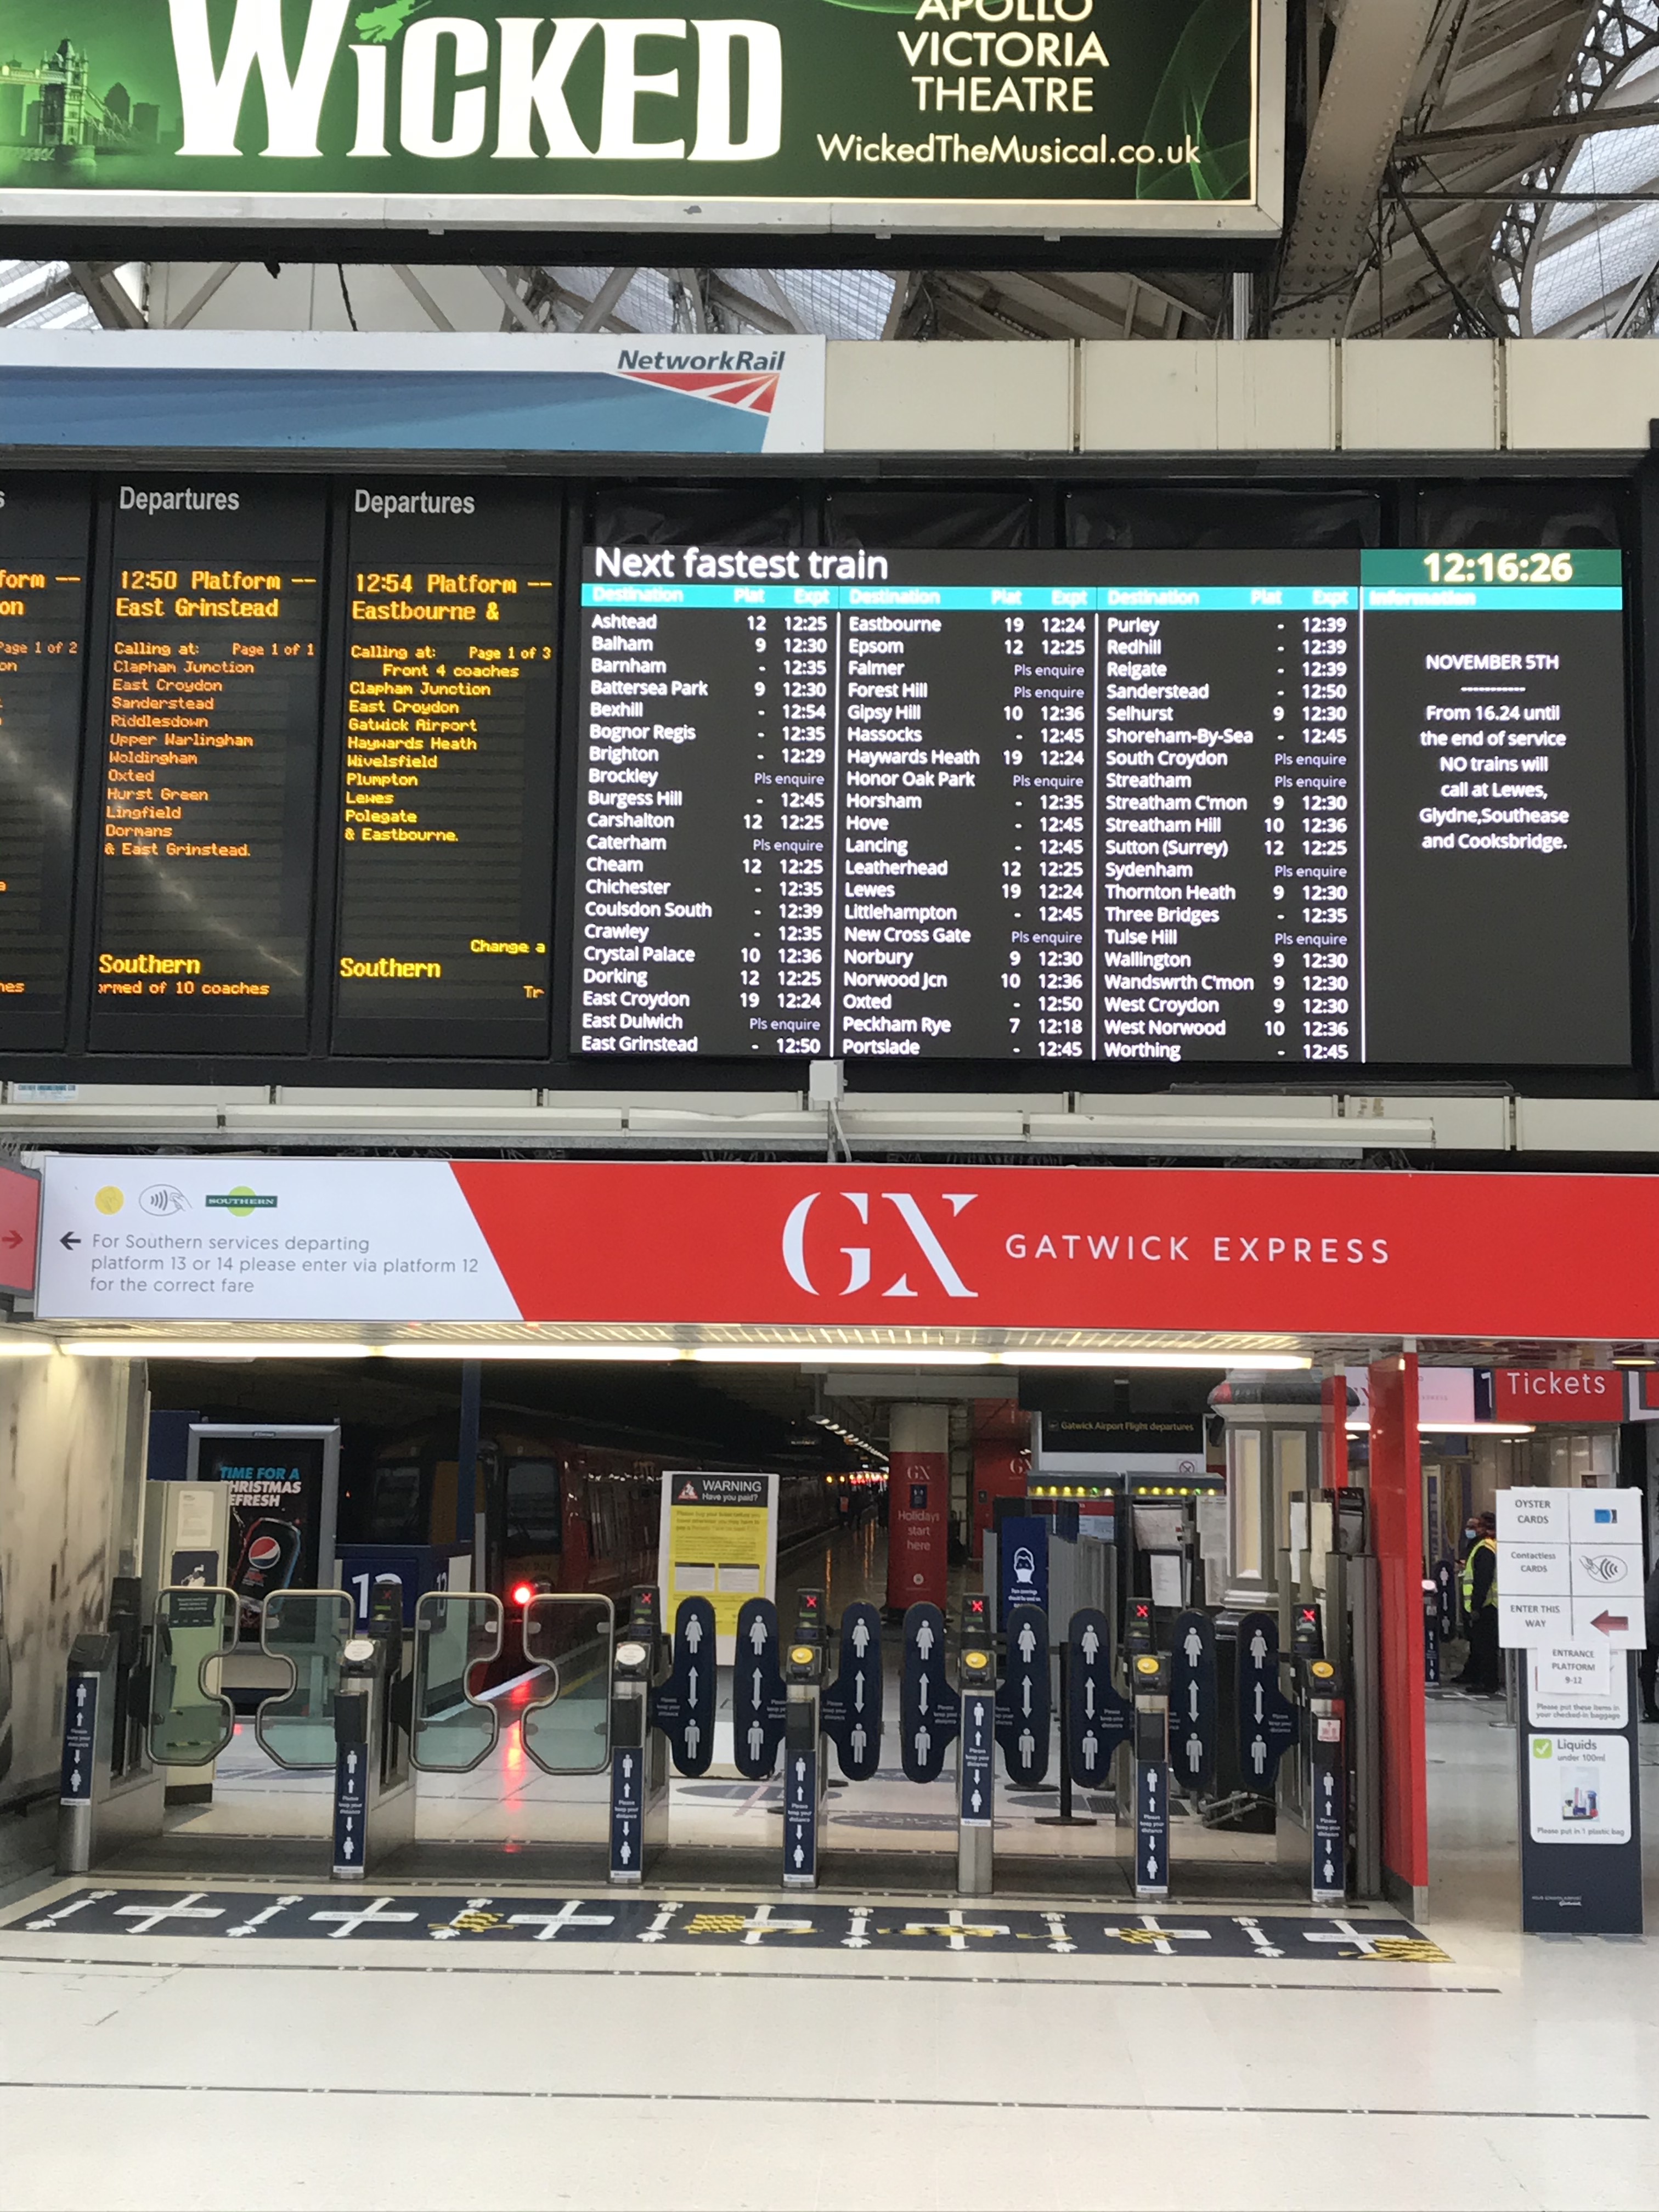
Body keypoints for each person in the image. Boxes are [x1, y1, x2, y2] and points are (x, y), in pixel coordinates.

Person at [1460, 1513, 1501, 1694]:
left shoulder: (1484, 1549)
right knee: (1483, 1646)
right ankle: (1483, 1679)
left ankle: (1488, 1683)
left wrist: (1476, 1606)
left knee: (1486, 1647)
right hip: (1490, 1605)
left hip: (1486, 1606)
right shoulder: (1489, 1547)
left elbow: (1482, 1580)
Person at [1641, 1559, 1659, 1724]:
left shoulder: (1654, 1580)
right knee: (1648, 1670)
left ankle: (1650, 1708)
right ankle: (1651, 1709)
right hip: (1653, 1632)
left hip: (1649, 1632)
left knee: (1648, 1670)